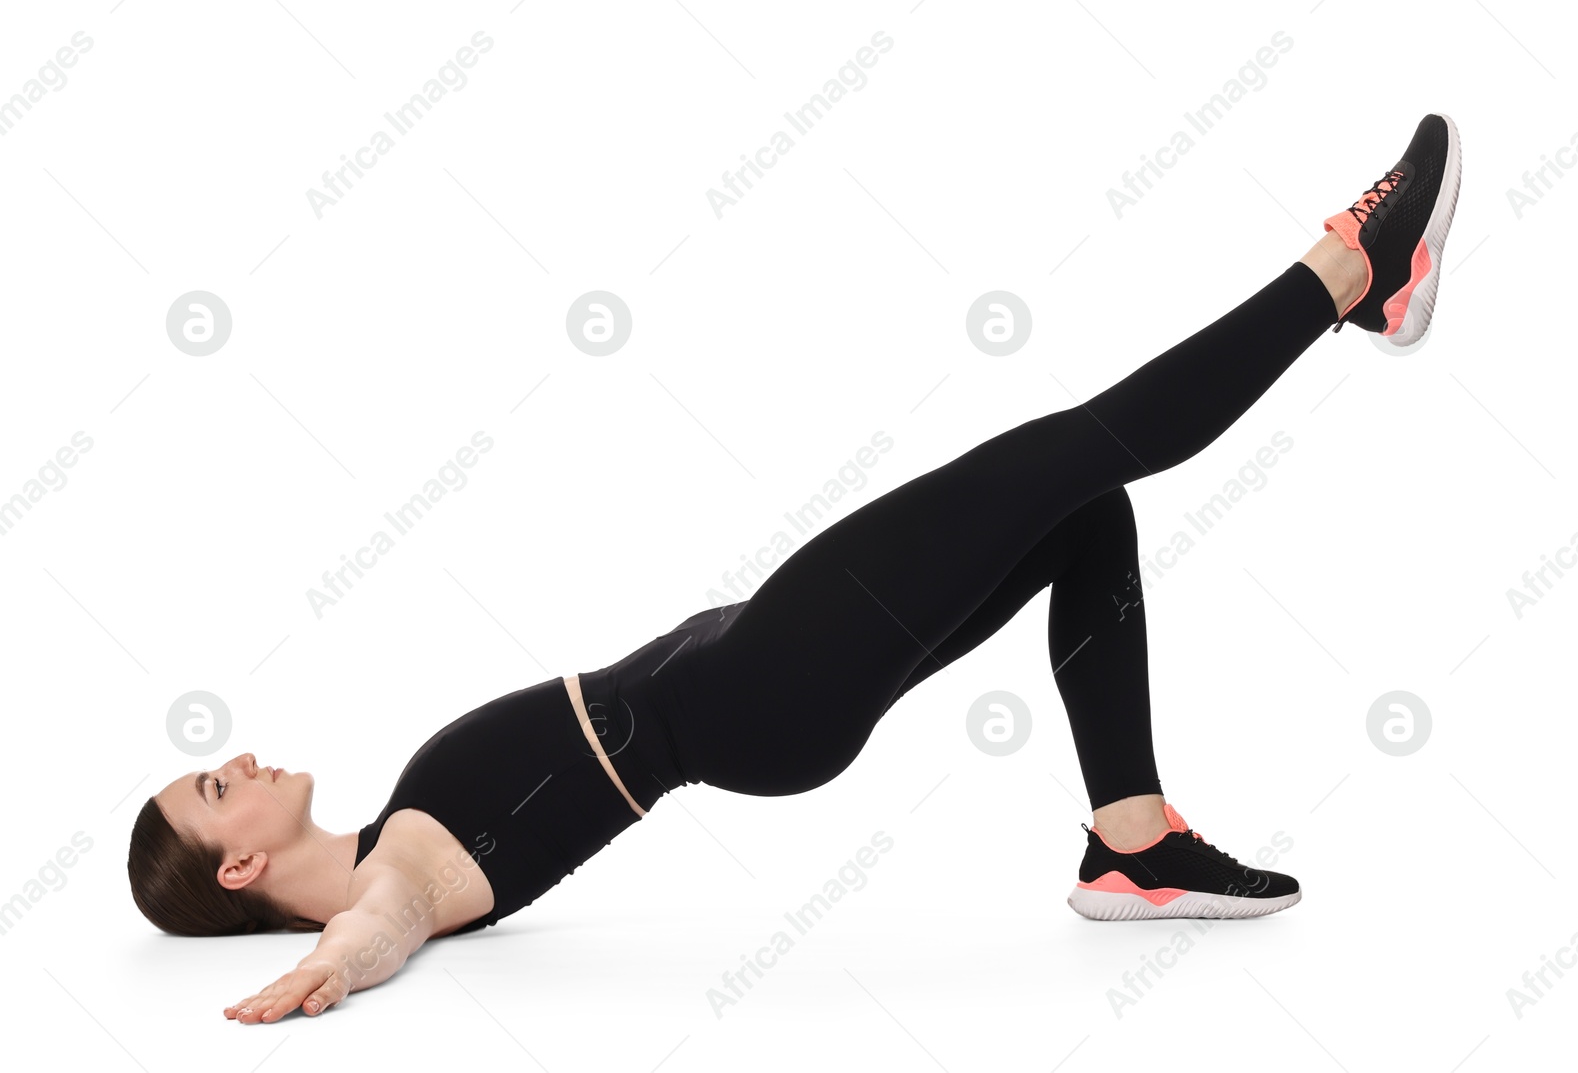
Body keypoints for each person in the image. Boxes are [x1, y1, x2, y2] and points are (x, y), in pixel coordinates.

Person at [127, 113, 1462, 1023]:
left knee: (1079, 506)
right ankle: (1355, 269)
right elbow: (386, 927)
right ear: (238, 869)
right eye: (214, 788)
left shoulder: (389, 829)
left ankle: (1134, 844)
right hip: (769, 685)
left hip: (762, 666)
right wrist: (336, 965)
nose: (237, 760)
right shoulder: (395, 872)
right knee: (1076, 445)